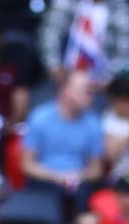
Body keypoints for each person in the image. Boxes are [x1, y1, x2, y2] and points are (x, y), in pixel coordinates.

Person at [20, 69, 106, 198]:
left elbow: (97, 170)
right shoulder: (40, 117)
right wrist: (57, 177)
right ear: (65, 90)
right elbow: (28, 165)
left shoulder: (93, 123)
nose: (90, 97)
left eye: (91, 92)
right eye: (85, 91)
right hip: (45, 181)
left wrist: (77, 177)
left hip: (80, 183)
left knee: (86, 192)